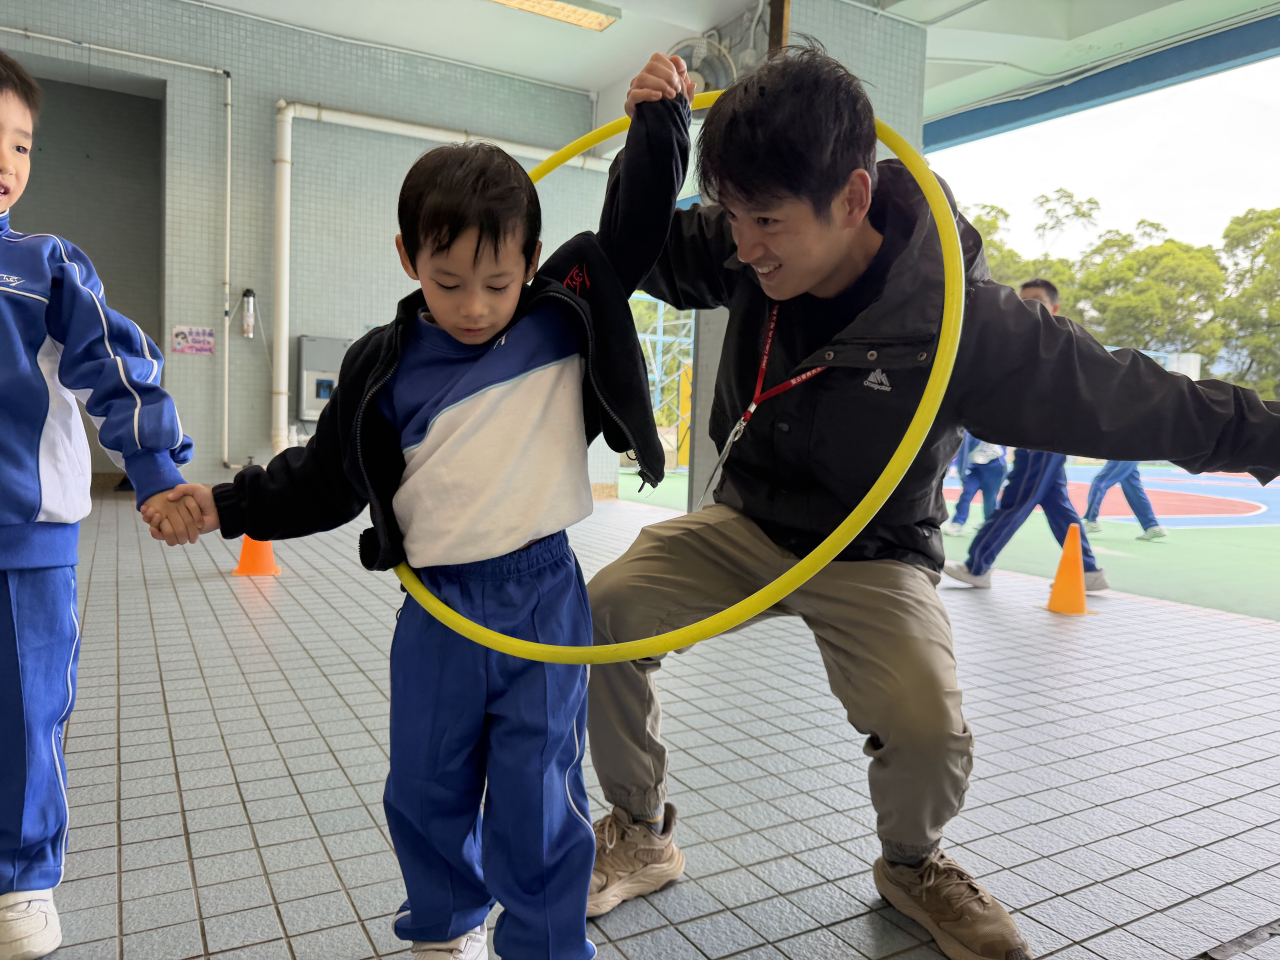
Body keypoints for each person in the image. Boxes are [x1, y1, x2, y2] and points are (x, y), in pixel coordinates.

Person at [583, 47, 1280, 960]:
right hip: (747, 522)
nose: (744, 246)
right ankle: (640, 831)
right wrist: (649, 141)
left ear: (853, 199)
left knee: (926, 727)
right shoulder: (747, 246)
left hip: (874, 549)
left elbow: (1131, 398)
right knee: (605, 610)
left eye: (767, 222)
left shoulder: (961, 320)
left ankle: (912, 866)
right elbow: (631, 252)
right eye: (734, 218)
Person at [143, 60, 692, 960]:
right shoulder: (384, 366)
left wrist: (659, 118)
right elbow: (323, 480)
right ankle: (444, 931)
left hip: (543, 598)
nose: (475, 307)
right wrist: (222, 504)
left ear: (531, 262)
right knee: (426, 787)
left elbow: (635, 227)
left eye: (498, 283)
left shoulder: (561, 316)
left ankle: (546, 945)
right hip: (438, 607)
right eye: (448, 281)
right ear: (408, 259)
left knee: (538, 795)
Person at [0, 53, 200, 960]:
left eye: (22, 144)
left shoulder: (41, 267)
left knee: (25, 712)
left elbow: (115, 369)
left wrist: (155, 474)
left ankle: (21, 878)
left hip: (25, 544)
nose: (8, 160)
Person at [944, 280, 1108, 591]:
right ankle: (1088, 570)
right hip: (1034, 438)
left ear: (1054, 308)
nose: (1029, 307)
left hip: (1043, 438)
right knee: (1056, 503)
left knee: (1016, 499)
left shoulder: (1062, 343)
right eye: (1023, 302)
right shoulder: (1023, 344)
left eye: (1037, 301)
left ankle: (977, 566)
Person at [1084, 460, 1168, 540]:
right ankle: (1152, 526)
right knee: (1132, 487)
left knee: (1100, 483)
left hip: (1123, 451)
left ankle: (1091, 521)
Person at [942, 431, 1006, 535]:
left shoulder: (1000, 429)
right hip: (975, 468)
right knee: (967, 494)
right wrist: (962, 474)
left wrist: (1002, 470)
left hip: (995, 468)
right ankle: (957, 523)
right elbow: (963, 453)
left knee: (990, 498)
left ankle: (990, 522)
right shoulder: (969, 432)